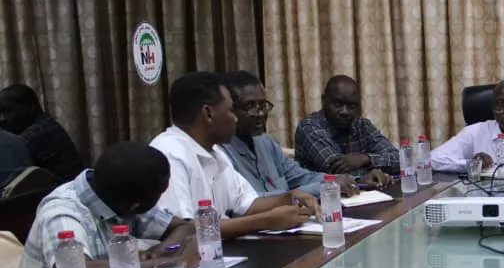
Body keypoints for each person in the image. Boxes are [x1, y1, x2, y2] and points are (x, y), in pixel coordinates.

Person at [11, 142, 195, 268]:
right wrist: (173, 263)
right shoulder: (61, 212)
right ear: (135, 206)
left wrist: (158, 252)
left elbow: (184, 227)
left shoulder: (117, 193)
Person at [150, 72, 313, 239]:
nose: (235, 119)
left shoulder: (215, 152)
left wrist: (288, 198)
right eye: (230, 111)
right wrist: (265, 221)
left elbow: (247, 204)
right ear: (208, 113)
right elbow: (184, 230)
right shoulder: (169, 152)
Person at [219, 71, 387, 197]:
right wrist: (326, 186)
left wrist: (349, 181)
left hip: (291, 223)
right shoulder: (221, 153)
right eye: (250, 106)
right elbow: (250, 202)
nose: (261, 113)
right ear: (229, 109)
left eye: (263, 105)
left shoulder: (267, 143)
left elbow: (300, 177)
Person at [294, 75, 400, 175]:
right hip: (320, 188)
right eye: (337, 104)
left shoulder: (363, 126)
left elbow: (398, 160)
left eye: (351, 106)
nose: (344, 111)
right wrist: (375, 172)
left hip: (366, 188)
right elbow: (337, 171)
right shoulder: (310, 128)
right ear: (323, 100)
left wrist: (365, 158)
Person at [0, 84, 84, 182]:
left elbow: (8, 153)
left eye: (7, 111)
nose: (2, 119)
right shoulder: (46, 124)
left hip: (66, 190)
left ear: (29, 108)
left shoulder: (37, 134)